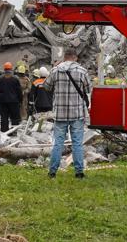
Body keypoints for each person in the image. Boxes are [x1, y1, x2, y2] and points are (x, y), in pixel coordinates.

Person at [44, 49, 91, 179]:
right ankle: (79, 172)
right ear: (75, 57)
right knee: (77, 143)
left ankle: (52, 172)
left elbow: (46, 86)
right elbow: (88, 89)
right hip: (77, 113)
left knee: (58, 143)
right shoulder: (82, 71)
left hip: (60, 113)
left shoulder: (55, 70)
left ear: (65, 57)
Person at [0, 63, 22, 132]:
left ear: (4, 69)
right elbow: (19, 91)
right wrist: (20, 100)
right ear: (11, 69)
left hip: (3, 101)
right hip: (14, 101)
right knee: (14, 117)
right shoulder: (15, 79)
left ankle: (4, 131)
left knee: (4, 117)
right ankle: (14, 131)